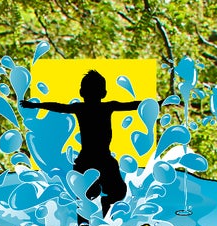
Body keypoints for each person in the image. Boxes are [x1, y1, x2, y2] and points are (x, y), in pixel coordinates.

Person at [24, 70, 139, 213]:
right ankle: (102, 207)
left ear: (81, 92)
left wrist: (35, 106)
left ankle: (91, 218)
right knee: (114, 192)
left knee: (89, 197)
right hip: (99, 159)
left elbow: (58, 106)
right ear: (104, 93)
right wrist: (155, 103)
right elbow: (133, 105)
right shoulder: (105, 107)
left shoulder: (84, 108)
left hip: (90, 160)